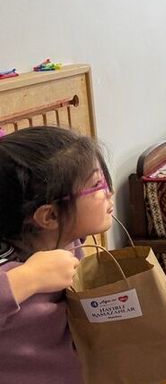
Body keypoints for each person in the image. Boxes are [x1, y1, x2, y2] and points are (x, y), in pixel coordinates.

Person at [0, 126, 115, 384]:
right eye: (97, 185)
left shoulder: (70, 241)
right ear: (50, 216)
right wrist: (29, 278)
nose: (109, 192)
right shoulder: (12, 268)